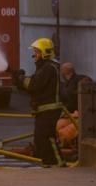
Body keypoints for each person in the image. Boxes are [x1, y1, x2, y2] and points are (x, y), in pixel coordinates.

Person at [13, 38, 63, 166]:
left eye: (36, 51)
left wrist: (20, 78)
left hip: (49, 110)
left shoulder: (49, 68)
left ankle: (58, 164)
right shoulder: (44, 67)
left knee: (48, 138)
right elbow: (32, 87)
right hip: (43, 110)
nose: (34, 54)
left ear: (45, 53)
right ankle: (48, 163)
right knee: (40, 139)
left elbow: (34, 85)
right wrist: (20, 81)